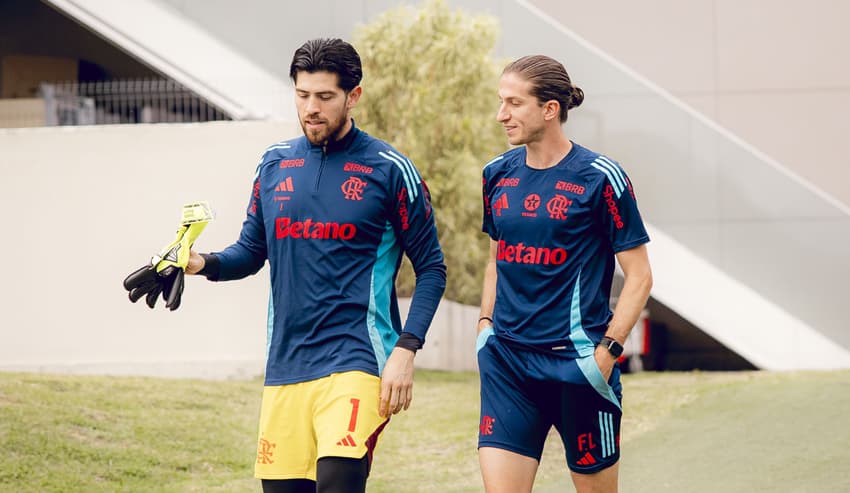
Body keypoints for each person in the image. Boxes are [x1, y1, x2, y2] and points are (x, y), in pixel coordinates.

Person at [186, 38, 446, 493]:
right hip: (286, 364)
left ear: (354, 96)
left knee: (337, 483)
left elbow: (432, 267)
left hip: (357, 359)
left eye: (325, 97)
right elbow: (249, 253)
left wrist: (406, 349)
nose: (311, 108)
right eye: (302, 95)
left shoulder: (390, 169)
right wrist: (197, 262)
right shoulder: (273, 164)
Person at [476, 55, 653, 493]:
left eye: (514, 104)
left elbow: (640, 276)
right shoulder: (496, 174)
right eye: (502, 102)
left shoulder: (601, 178)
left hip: (578, 366)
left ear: (549, 109)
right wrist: (485, 326)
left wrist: (608, 352)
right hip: (508, 364)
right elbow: (497, 255)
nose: (502, 115)